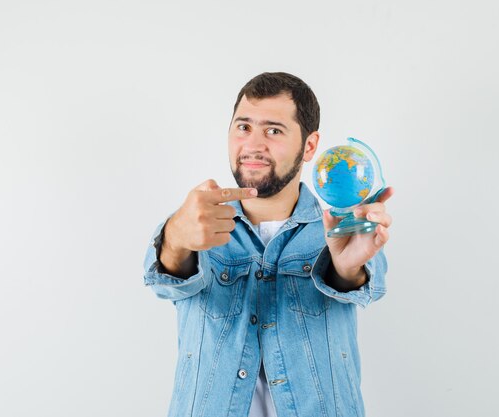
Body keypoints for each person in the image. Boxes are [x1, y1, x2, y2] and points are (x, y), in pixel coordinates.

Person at [143, 72, 394, 417]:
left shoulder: (341, 229)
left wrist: (347, 269)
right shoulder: (194, 223)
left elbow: (361, 283)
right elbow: (163, 278)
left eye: (274, 131)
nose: (253, 145)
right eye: (243, 127)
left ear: (309, 146)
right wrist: (173, 238)